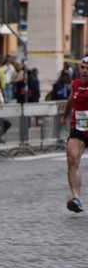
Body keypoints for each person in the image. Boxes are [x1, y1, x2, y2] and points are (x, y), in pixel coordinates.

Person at [59, 56, 88, 213]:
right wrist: (65, 115)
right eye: (83, 68)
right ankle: (76, 198)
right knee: (72, 160)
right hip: (80, 125)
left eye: (87, 68)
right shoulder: (75, 84)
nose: (84, 71)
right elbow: (71, 100)